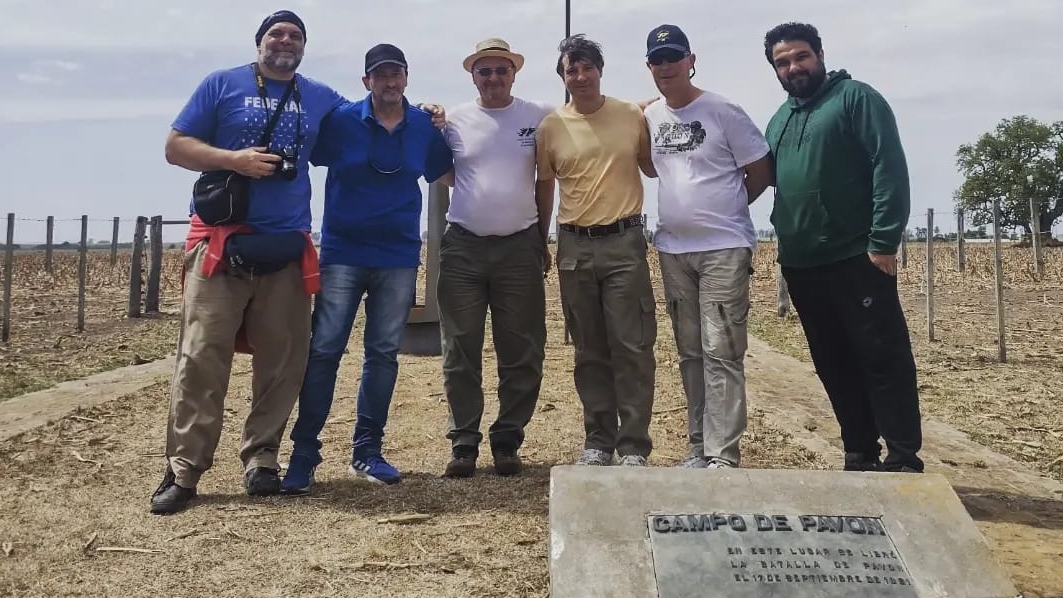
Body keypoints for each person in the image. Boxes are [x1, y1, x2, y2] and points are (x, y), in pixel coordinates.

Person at [151, 10, 344, 514]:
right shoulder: (221, 84)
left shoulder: (320, 96)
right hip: (220, 242)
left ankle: (262, 459)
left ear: (304, 47)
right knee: (200, 358)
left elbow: (371, 119)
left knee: (283, 361)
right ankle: (184, 469)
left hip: (285, 247)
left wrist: (428, 113)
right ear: (259, 42)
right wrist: (233, 160)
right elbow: (175, 147)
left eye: (295, 35)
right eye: (277, 33)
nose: (285, 41)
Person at [280, 43, 453, 493]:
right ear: (367, 82)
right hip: (342, 253)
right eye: (381, 75)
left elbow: (443, 172)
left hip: (396, 256)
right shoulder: (340, 122)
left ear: (407, 78)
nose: (389, 82)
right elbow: (305, 158)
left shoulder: (422, 126)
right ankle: (304, 454)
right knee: (325, 351)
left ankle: (368, 451)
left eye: (396, 74)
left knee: (382, 354)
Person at [762, 22, 923, 473]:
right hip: (801, 261)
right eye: (782, 62)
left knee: (880, 356)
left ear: (819, 54)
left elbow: (888, 165)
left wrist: (884, 240)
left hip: (856, 254)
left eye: (800, 56)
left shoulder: (856, 99)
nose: (793, 67)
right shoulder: (779, 120)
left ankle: (903, 456)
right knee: (833, 361)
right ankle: (859, 451)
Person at [642, 25, 773, 469]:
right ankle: (698, 447)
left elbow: (760, 169)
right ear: (649, 67)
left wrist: (730, 206)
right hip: (673, 250)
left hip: (723, 248)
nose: (666, 66)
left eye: (673, 57)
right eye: (657, 60)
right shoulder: (651, 115)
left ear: (690, 60)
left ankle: (723, 454)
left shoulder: (722, 111)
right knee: (690, 352)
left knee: (722, 349)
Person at [535, 34, 658, 467]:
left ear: (600, 70)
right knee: (589, 349)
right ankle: (598, 442)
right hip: (574, 246)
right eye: (572, 69)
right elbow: (545, 186)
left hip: (625, 243)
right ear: (563, 77)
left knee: (632, 345)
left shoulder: (630, 115)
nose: (581, 76)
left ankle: (633, 445)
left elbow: (653, 165)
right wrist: (540, 240)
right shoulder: (551, 126)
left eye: (588, 67)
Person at [435, 38, 554, 478]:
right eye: (484, 71)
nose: (493, 78)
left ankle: (508, 438)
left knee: (522, 347)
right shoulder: (454, 121)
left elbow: (588, 114)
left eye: (501, 70)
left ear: (514, 74)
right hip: (463, 246)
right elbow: (445, 173)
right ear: (473, 76)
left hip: (520, 245)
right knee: (459, 347)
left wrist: (542, 238)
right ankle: (464, 441)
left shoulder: (538, 115)